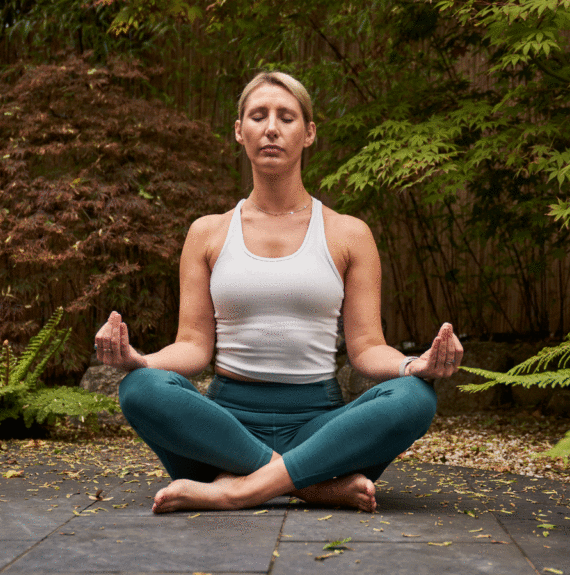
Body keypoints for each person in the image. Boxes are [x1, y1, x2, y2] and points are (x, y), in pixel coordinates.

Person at [94, 71, 463, 514]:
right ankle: (309, 485)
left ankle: (236, 490)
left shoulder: (349, 234)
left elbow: (366, 349)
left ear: (308, 134)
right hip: (223, 429)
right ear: (239, 131)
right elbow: (193, 347)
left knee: (416, 396)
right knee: (140, 388)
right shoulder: (207, 233)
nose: (271, 127)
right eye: (258, 115)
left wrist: (413, 364)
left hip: (320, 428)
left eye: (286, 117)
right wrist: (140, 361)